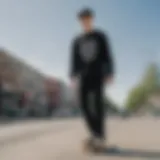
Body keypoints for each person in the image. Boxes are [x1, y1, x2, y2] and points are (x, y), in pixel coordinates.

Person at [69, 8, 114, 151]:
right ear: (80, 22)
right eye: (83, 19)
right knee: (83, 104)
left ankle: (99, 135)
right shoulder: (76, 40)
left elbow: (107, 55)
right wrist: (72, 75)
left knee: (97, 105)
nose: (85, 21)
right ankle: (95, 132)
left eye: (88, 18)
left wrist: (109, 72)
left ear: (92, 19)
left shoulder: (100, 36)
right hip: (83, 76)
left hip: (98, 74)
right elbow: (74, 59)